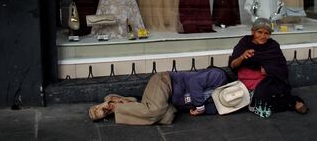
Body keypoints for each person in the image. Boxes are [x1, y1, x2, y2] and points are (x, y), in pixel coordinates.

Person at [88, 68, 228, 125]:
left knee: (166, 118)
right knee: (153, 111)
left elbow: (206, 110)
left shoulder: (221, 103)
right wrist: (200, 106)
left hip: (170, 103)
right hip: (166, 82)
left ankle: (123, 103)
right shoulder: (219, 76)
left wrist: (199, 111)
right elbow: (194, 82)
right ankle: (112, 106)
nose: (231, 97)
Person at [229, 17, 308, 118]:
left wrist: (269, 69)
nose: (263, 36)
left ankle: (262, 102)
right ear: (253, 32)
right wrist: (242, 57)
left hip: (266, 78)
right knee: (266, 94)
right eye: (259, 32)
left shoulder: (273, 45)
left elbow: (281, 66)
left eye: (266, 33)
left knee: (279, 89)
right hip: (248, 81)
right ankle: (292, 103)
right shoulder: (245, 42)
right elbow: (233, 65)